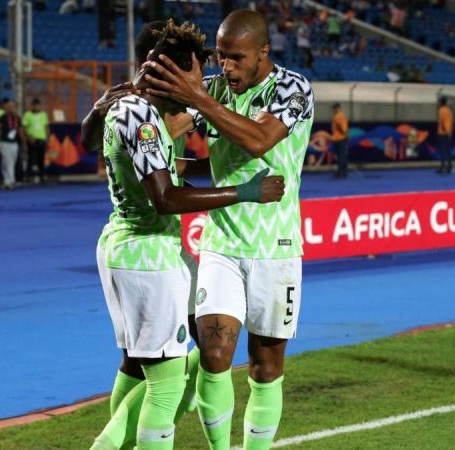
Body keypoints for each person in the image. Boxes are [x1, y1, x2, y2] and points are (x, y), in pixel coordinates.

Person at [90, 20, 285, 450]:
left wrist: (97, 108)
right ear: (174, 75)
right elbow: (166, 197)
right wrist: (244, 192)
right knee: (167, 386)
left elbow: (97, 140)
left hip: (123, 246)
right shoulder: (142, 116)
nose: (204, 84)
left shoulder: (124, 105)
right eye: (197, 74)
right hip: (149, 255)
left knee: (137, 366)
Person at [144, 9, 314, 449]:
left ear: (263, 52)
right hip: (221, 244)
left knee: (265, 366)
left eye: (237, 58)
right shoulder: (216, 89)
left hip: (277, 248)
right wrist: (139, 102)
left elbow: (258, 141)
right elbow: (161, 129)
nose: (227, 67)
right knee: (215, 357)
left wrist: (199, 99)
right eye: (220, 57)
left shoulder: (293, 89)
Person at [0, 99, 25, 190]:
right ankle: (10, 182)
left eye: (13, 106)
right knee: (8, 162)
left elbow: (20, 130)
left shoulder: (17, 118)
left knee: (12, 161)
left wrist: (23, 142)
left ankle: (7, 180)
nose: (11, 108)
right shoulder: (2, 117)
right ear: (6, 107)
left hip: (14, 143)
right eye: (9, 106)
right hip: (4, 142)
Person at [22, 98, 49, 183]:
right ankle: (28, 176)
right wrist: (28, 138)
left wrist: (47, 139)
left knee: (42, 159)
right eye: (35, 105)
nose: (37, 107)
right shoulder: (27, 115)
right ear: (32, 106)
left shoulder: (43, 115)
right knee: (30, 159)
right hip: (32, 140)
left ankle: (42, 176)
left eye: (38, 105)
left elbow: (46, 127)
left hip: (42, 139)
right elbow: (24, 128)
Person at [437, 96, 454, 174]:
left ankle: (443, 167)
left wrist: (444, 130)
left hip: (443, 133)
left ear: (441, 102)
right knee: (448, 151)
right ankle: (449, 166)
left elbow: (442, 121)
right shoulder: (449, 110)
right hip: (449, 132)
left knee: (443, 151)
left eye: (439, 101)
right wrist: (449, 132)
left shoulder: (441, 110)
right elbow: (451, 121)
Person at [332, 102, 349, 178]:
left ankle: (341, 172)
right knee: (342, 156)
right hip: (340, 138)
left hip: (339, 138)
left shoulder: (338, 116)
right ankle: (343, 172)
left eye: (334, 109)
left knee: (340, 156)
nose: (333, 110)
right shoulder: (342, 115)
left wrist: (344, 135)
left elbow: (342, 128)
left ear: (337, 108)